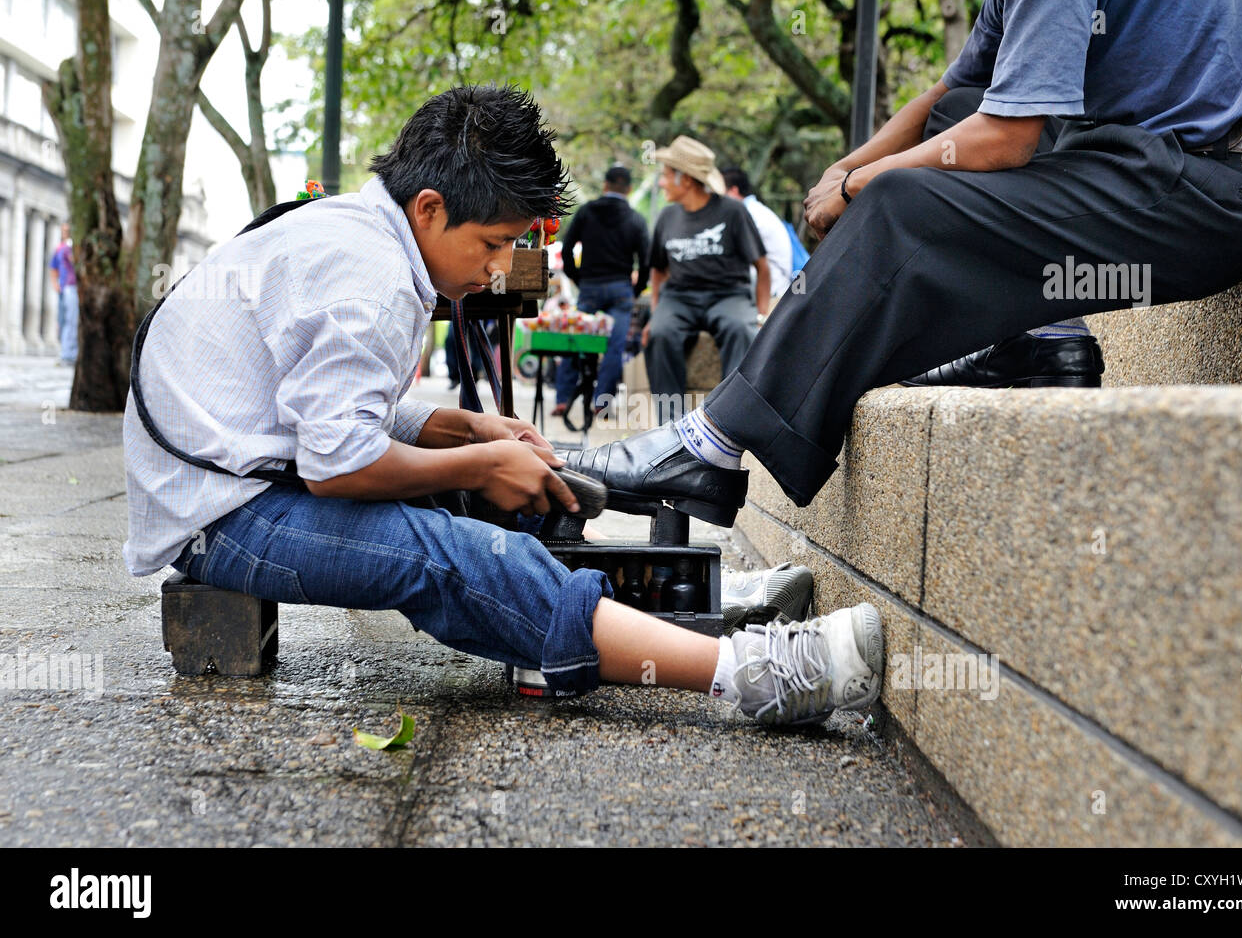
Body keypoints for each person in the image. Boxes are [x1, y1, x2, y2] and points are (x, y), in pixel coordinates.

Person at [122, 85, 883, 727]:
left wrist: (470, 429)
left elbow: (331, 413)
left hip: (249, 469)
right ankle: (752, 676)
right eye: (492, 244)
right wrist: (483, 462)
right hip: (221, 515)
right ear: (428, 207)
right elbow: (334, 462)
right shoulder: (372, 275)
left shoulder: (366, 240)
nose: (495, 271)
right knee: (444, 553)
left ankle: (677, 604)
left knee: (494, 488)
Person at [558, 0, 1242, 522]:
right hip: (1172, 161)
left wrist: (860, 188)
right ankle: (1039, 338)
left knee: (902, 202)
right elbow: (951, 99)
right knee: (937, 134)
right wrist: (841, 170)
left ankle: (711, 447)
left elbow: (1006, 139)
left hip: (1235, 181)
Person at [642, 136, 770, 425]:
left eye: (665, 175)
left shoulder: (733, 212)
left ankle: (729, 422)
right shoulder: (666, 216)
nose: (661, 183)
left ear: (685, 179)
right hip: (679, 297)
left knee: (741, 330)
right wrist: (655, 312)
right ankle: (670, 427)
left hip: (729, 294)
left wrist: (761, 315)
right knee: (660, 334)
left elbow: (762, 266)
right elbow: (659, 271)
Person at [554, 164, 650, 419]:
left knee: (575, 340)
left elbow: (566, 251)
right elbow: (647, 260)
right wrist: (636, 289)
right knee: (614, 348)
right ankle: (602, 403)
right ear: (629, 189)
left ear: (605, 185)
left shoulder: (586, 212)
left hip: (590, 287)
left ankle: (563, 399)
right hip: (621, 290)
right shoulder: (636, 219)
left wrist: (579, 280)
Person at [721, 167, 793, 304]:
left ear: (733, 191)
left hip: (771, 297)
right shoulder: (753, 211)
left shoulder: (751, 215)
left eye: (720, 193)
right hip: (771, 290)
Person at [49, 223, 78, 366]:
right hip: (65, 288)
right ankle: (67, 353)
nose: (65, 232)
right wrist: (55, 284)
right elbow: (53, 267)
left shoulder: (71, 247)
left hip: (73, 286)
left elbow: (75, 262)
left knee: (72, 321)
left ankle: (70, 354)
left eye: (67, 230)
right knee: (65, 321)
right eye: (63, 230)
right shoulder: (61, 248)